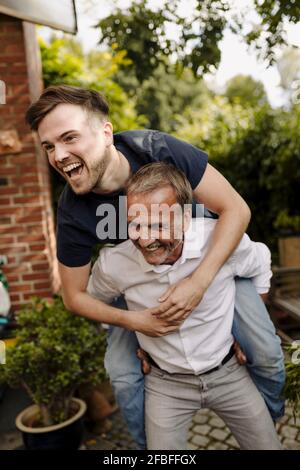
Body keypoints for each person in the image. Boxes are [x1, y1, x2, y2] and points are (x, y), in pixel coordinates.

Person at [26, 85, 284, 449]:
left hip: (210, 262)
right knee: (123, 376)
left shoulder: (156, 149)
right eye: (49, 146)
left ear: (105, 133)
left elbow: (236, 210)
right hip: (135, 281)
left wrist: (199, 283)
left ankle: (269, 419)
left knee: (265, 350)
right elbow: (74, 296)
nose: (59, 155)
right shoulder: (73, 212)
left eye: (69, 138)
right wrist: (137, 324)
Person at [88, 162, 282, 450]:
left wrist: (251, 326)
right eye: (135, 223)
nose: (145, 238)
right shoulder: (114, 264)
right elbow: (95, 302)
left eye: (158, 224)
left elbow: (261, 262)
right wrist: (130, 332)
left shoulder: (219, 240)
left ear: (185, 218)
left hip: (229, 373)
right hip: (165, 385)